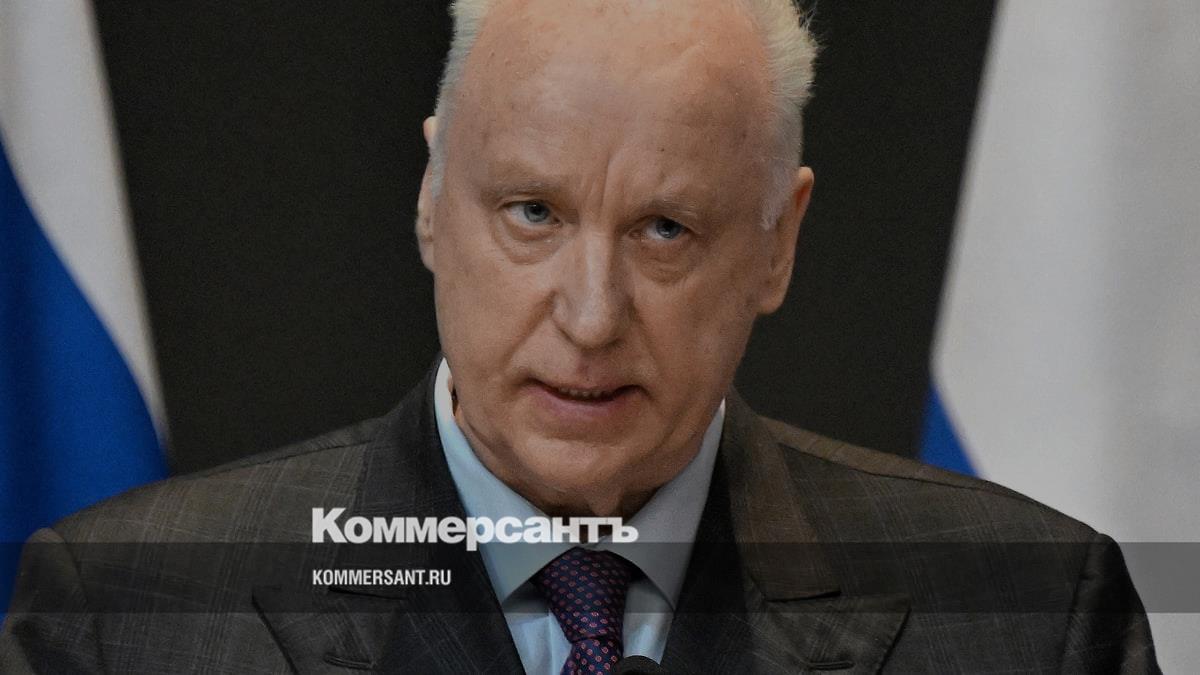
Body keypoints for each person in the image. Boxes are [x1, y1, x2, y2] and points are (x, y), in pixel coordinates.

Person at [1, 0, 1159, 672]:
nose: (592, 316)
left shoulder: (1027, 618)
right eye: (533, 214)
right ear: (431, 199)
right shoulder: (131, 619)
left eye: (665, 229)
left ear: (777, 245)